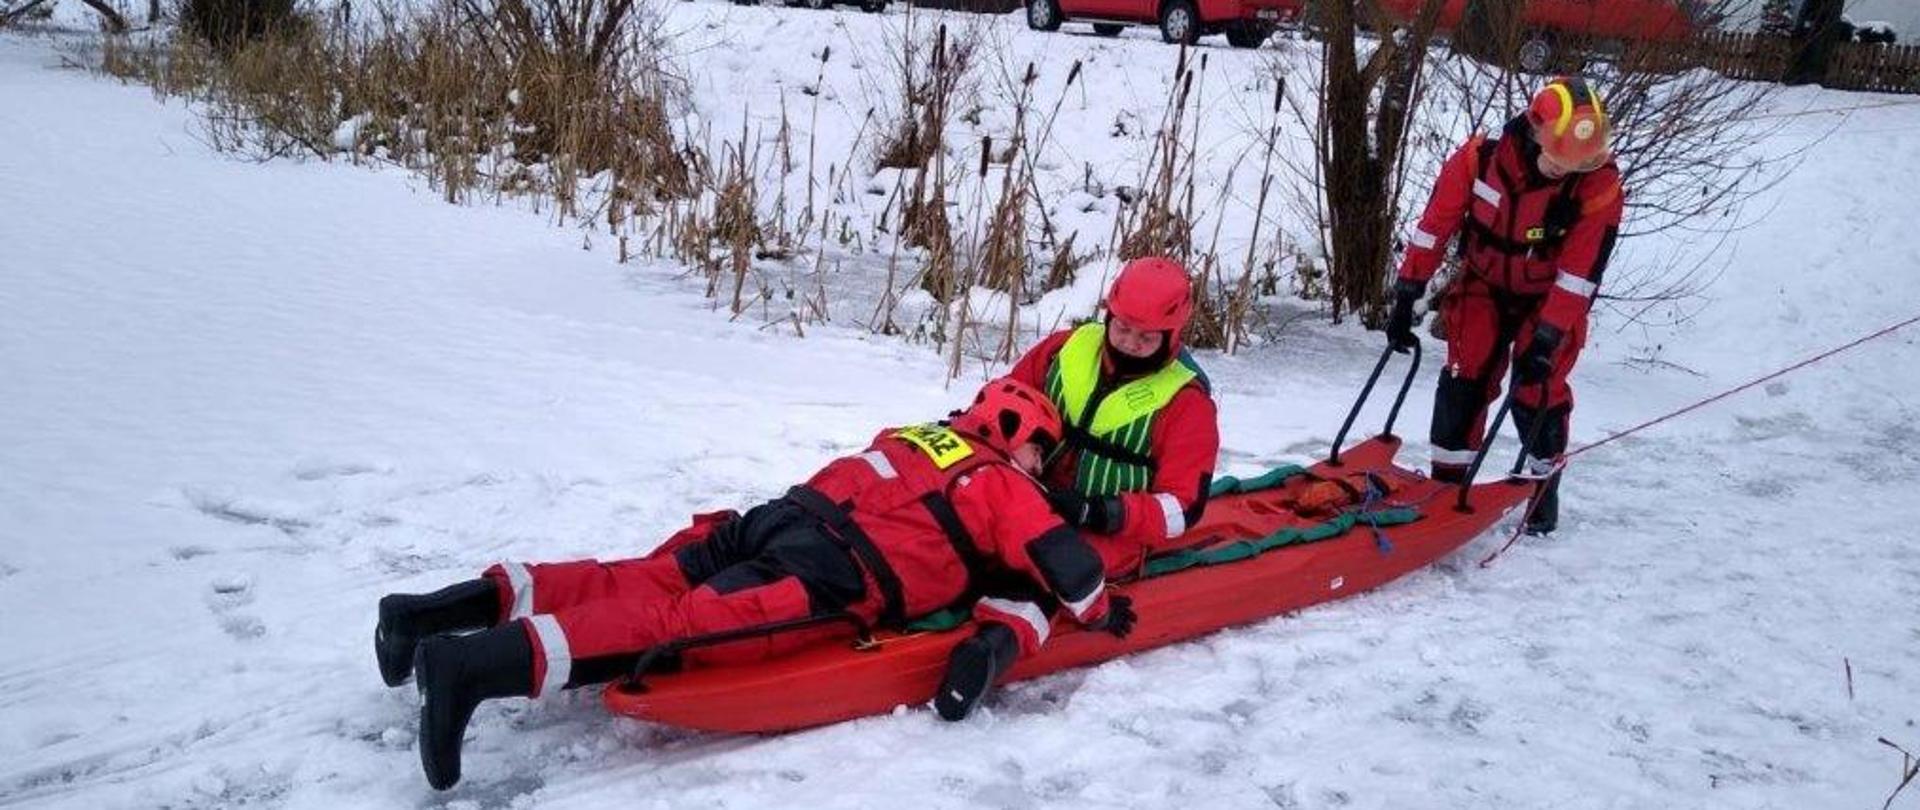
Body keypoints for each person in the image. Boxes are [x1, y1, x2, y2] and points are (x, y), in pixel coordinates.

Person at [373, 378, 1136, 790]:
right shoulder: (1007, 484)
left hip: (777, 519)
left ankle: (425, 616)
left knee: (631, 576)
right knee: (677, 626)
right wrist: (1103, 610)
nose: (1046, 468)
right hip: (832, 571)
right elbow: (1070, 572)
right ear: (1026, 442)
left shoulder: (913, 434)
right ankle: (468, 667)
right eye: (1046, 454)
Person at [1386, 76, 1624, 535]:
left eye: (1579, 161)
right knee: (1464, 379)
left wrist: (1550, 335)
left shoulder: (1596, 189)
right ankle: (1446, 489)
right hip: (1484, 284)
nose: (1566, 170)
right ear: (1534, 131)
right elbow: (1435, 225)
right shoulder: (1480, 160)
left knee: (1539, 392)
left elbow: (1579, 275)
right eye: (1559, 159)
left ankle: (1542, 492)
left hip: (1548, 299)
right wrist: (1407, 290)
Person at [1006, 256, 1221, 577]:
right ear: (1110, 315)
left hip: (1110, 533)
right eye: (1122, 328)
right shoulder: (1063, 349)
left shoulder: (1187, 403)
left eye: (1147, 338)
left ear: (1172, 335)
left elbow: (1182, 508)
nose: (1130, 344)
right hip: (1027, 495)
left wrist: (1099, 512)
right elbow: (1005, 404)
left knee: (1039, 567)